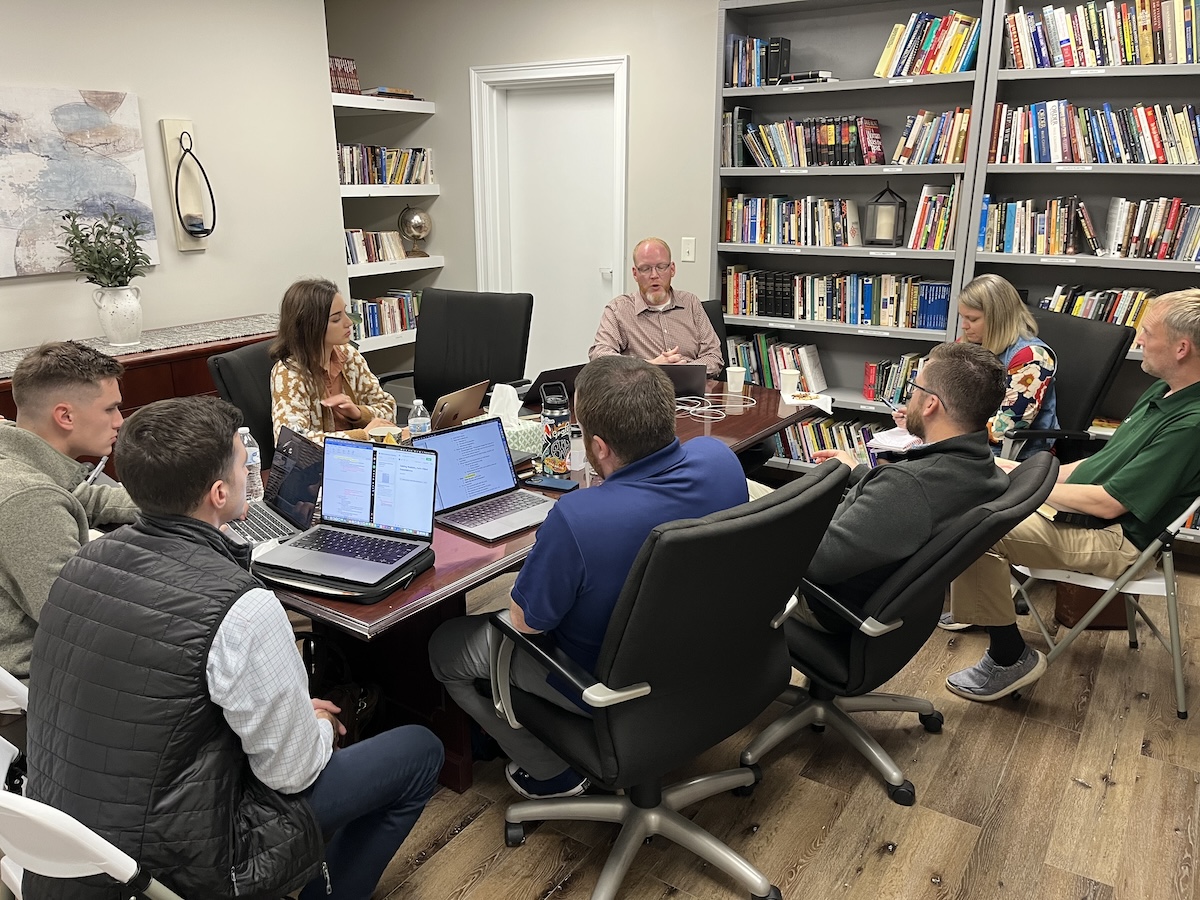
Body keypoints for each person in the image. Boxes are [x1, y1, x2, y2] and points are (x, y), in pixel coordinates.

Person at [24, 396, 443, 900]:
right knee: (420, 750)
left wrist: (288, 716)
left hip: (63, 852)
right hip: (178, 866)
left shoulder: (82, 564)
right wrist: (313, 725)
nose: (251, 474)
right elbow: (293, 773)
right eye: (246, 465)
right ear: (219, 493)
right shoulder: (242, 607)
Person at [428, 356, 747, 800]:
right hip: (709, 660)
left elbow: (525, 623)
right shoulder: (720, 458)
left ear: (598, 446)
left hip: (606, 687)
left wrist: (543, 562)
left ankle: (551, 771)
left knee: (445, 647)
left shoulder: (577, 518)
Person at [945, 289, 1200, 702]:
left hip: (1116, 540)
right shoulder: (1164, 391)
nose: (1139, 340)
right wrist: (1018, 472)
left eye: (1148, 333)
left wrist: (1026, 486)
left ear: (1181, 348)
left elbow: (1109, 503)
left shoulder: (1191, 424)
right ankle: (986, 618)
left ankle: (1008, 657)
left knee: (970, 529)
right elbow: (1096, 465)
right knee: (968, 504)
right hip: (1086, 516)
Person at [790, 342, 1010, 632]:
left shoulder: (909, 487)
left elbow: (817, 562)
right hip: (873, 596)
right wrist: (857, 473)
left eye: (914, 388)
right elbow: (900, 506)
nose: (909, 399)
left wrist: (792, 510)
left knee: (737, 499)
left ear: (931, 404)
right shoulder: (981, 467)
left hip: (819, 601)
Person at [0, 342, 138, 692]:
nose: (119, 421)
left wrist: (183, 502)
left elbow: (84, 497)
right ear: (65, 416)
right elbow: (76, 620)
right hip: (45, 680)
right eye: (110, 409)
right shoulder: (29, 499)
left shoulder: (18, 456)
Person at [893, 274, 1057, 460]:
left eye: (972, 319)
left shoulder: (1033, 357)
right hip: (964, 441)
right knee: (890, 458)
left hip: (1010, 454)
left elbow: (1003, 429)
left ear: (998, 318)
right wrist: (918, 415)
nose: (964, 326)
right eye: (962, 317)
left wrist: (934, 423)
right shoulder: (966, 346)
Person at [271, 277, 399, 444]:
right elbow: (291, 441)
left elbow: (389, 410)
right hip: (322, 461)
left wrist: (358, 414)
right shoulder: (288, 374)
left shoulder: (349, 356)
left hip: (362, 454)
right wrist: (362, 435)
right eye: (336, 319)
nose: (349, 322)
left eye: (345, 313)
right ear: (311, 326)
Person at [589, 237, 725, 377]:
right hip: (644, 387)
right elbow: (599, 356)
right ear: (635, 273)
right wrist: (649, 367)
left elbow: (713, 356)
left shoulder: (690, 303)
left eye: (661, 267)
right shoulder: (618, 310)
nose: (654, 275)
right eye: (645, 269)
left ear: (672, 269)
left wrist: (683, 371)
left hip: (691, 386)